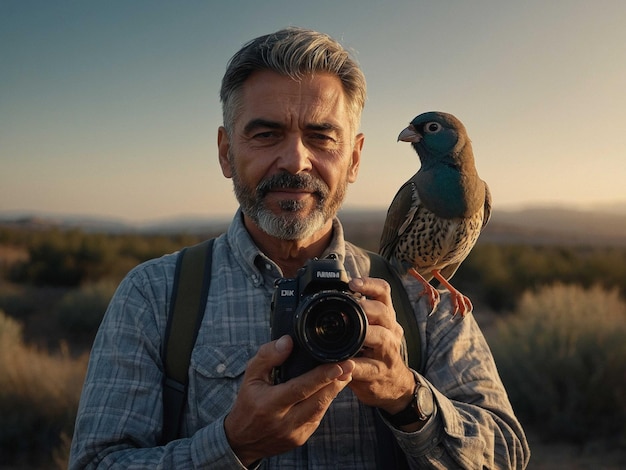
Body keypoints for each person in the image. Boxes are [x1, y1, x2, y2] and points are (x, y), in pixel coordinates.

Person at [69, 27, 530, 468]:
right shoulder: (154, 296)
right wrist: (231, 446)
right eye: (266, 134)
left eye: (321, 136)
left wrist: (407, 397)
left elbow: (507, 455)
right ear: (226, 152)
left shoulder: (421, 302)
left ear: (353, 159)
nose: (294, 160)